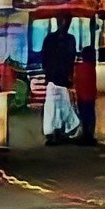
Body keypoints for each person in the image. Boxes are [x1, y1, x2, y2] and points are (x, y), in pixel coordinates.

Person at [40, 15, 79, 144]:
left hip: (54, 77)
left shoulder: (50, 39)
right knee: (61, 105)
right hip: (60, 77)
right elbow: (71, 59)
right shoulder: (70, 39)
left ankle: (53, 132)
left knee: (54, 106)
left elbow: (44, 58)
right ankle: (59, 130)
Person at [73, 46, 98, 145]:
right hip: (90, 97)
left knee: (84, 117)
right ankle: (89, 136)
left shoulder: (78, 67)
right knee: (90, 116)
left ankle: (85, 136)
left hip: (81, 97)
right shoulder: (91, 67)